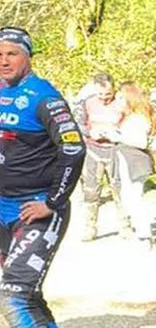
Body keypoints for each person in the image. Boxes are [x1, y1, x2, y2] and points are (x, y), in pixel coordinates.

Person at [0, 28, 85, 328]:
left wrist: (51, 201)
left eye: (12, 53)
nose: (4, 60)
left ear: (27, 56)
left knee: (13, 294)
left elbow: (73, 148)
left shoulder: (45, 95)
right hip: (6, 211)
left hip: (38, 209)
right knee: (28, 293)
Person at [72, 71, 129, 238]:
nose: (104, 98)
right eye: (101, 94)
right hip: (93, 151)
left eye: (108, 94)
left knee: (118, 188)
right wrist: (90, 132)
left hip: (116, 150)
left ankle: (124, 226)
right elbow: (78, 123)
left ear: (114, 90)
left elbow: (131, 122)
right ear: (95, 90)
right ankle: (90, 228)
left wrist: (118, 133)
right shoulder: (87, 103)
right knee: (91, 190)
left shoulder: (121, 103)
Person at [114, 82, 154, 244]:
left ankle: (144, 234)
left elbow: (141, 141)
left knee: (135, 198)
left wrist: (118, 137)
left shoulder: (138, 118)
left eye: (121, 99)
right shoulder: (129, 117)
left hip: (136, 163)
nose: (118, 103)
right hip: (127, 161)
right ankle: (142, 231)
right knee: (129, 197)